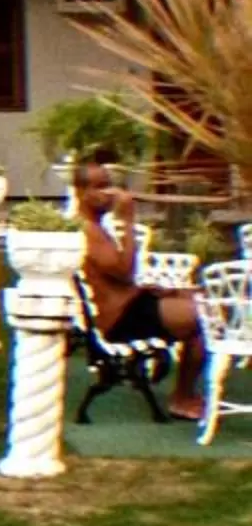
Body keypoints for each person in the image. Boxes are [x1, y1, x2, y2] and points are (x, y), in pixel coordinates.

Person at [77, 151, 205, 417]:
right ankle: (182, 398)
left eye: (110, 184)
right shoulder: (88, 230)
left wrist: (154, 290)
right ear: (81, 191)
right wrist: (127, 220)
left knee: (200, 299)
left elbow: (122, 278)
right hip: (121, 318)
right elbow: (124, 271)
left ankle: (184, 393)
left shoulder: (95, 226)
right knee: (204, 317)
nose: (109, 192)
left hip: (132, 302)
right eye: (100, 187)